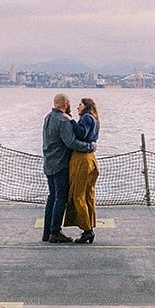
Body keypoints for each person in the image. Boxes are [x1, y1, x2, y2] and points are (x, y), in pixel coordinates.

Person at [42, 92, 94, 243]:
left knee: (52, 197)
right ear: (65, 104)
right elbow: (71, 143)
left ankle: (47, 232)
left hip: (49, 163)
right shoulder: (63, 120)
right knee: (61, 198)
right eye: (70, 102)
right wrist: (90, 146)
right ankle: (55, 232)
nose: (72, 105)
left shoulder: (48, 117)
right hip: (61, 164)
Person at [66, 97, 100, 243]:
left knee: (78, 195)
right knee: (88, 194)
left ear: (86, 106)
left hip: (82, 159)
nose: (77, 107)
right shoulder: (95, 118)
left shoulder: (86, 118)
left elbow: (81, 133)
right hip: (91, 158)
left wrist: (71, 121)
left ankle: (87, 230)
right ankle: (90, 224)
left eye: (80, 104)